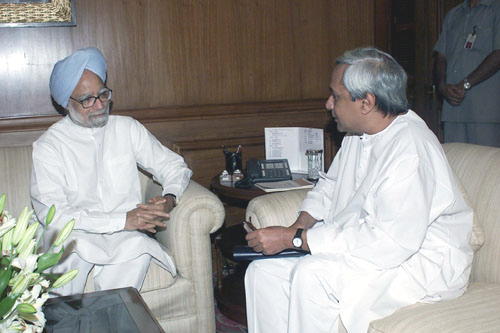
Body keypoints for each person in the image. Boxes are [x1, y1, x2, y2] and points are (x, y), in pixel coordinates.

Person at [244, 47, 473, 333]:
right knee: (261, 273)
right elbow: (330, 186)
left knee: (312, 274)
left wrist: (298, 240)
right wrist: (299, 225)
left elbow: (388, 244)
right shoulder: (359, 132)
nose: (329, 104)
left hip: (422, 265)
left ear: (366, 103)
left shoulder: (410, 150)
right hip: (376, 249)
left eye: (336, 96)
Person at [30, 47, 193, 296]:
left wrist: (168, 200)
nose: (99, 105)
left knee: (136, 250)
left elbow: (173, 165)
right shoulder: (48, 147)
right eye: (87, 99)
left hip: (123, 235)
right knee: (65, 255)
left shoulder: (126, 128)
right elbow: (53, 216)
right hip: (74, 233)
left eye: (103, 95)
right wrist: (123, 219)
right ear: (66, 103)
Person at [433, 0, 500, 147]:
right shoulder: (453, 14)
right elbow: (441, 55)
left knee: (486, 166)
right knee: (454, 165)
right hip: (453, 111)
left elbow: (498, 55)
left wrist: (466, 84)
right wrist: (442, 86)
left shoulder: (496, 9)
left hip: (484, 112)